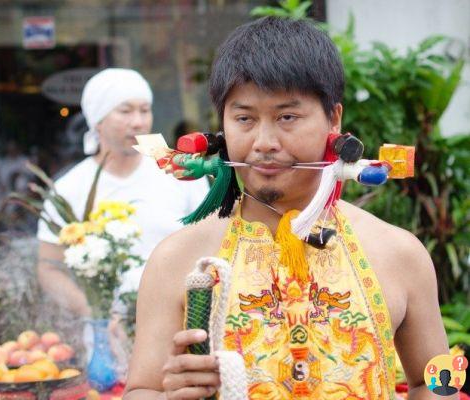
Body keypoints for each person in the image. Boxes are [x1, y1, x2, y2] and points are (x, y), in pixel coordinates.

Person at [125, 17, 450, 399]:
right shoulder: (178, 259)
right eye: (244, 118)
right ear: (223, 125)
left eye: (287, 117)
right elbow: (140, 390)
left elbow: (439, 382)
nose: (263, 142)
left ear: (334, 119)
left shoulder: (400, 252)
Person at [36, 68, 209, 316]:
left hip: (180, 323)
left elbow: (212, 246)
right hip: (104, 336)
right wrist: (95, 314)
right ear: (98, 120)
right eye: (125, 111)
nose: (138, 122)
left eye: (145, 110)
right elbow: (49, 267)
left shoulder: (181, 172)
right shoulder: (69, 188)